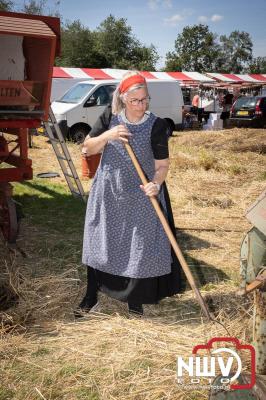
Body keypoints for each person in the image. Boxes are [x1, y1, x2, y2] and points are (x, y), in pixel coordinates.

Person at [77, 71, 182, 317]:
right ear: (123, 99)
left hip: (140, 196)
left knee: (138, 248)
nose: (141, 105)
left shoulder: (156, 125)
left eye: (145, 99)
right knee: (100, 244)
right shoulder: (110, 118)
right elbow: (87, 148)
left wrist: (155, 184)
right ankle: (91, 295)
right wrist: (109, 135)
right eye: (135, 101)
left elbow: (162, 166)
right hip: (109, 193)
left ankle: (134, 300)